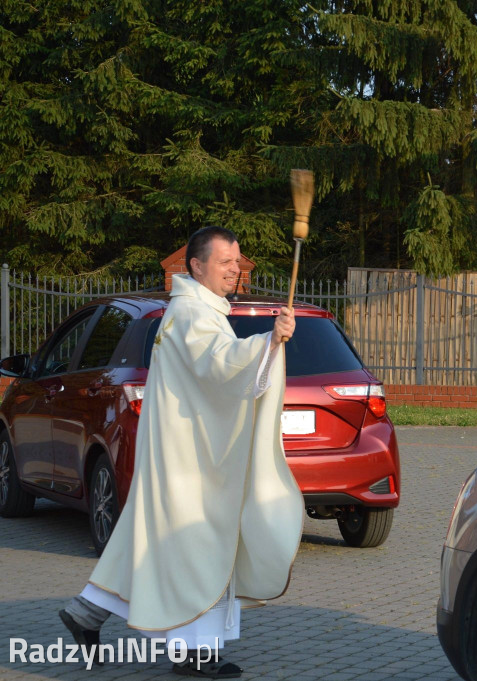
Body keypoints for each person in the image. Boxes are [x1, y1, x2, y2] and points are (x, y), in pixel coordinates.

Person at [59, 226, 304, 678]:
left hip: (187, 453)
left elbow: (216, 372)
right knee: (198, 546)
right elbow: (221, 365)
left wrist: (268, 343)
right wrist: (269, 341)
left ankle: (85, 614)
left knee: (150, 542)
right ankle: (194, 655)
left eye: (238, 261)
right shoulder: (193, 313)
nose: (235, 269)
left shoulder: (197, 310)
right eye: (225, 261)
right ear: (196, 265)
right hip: (191, 462)